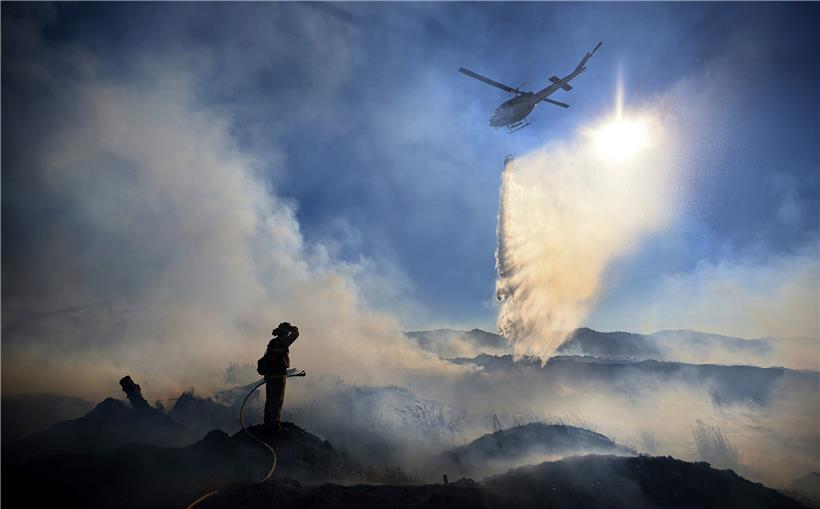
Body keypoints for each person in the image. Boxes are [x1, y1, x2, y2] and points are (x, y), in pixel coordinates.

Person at [257, 322, 299, 431]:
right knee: (277, 400)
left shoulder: (273, 342)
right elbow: (296, 333)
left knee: (270, 400)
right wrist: (290, 327)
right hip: (279, 376)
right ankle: (274, 426)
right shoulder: (283, 342)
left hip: (270, 375)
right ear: (285, 332)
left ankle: (268, 423)